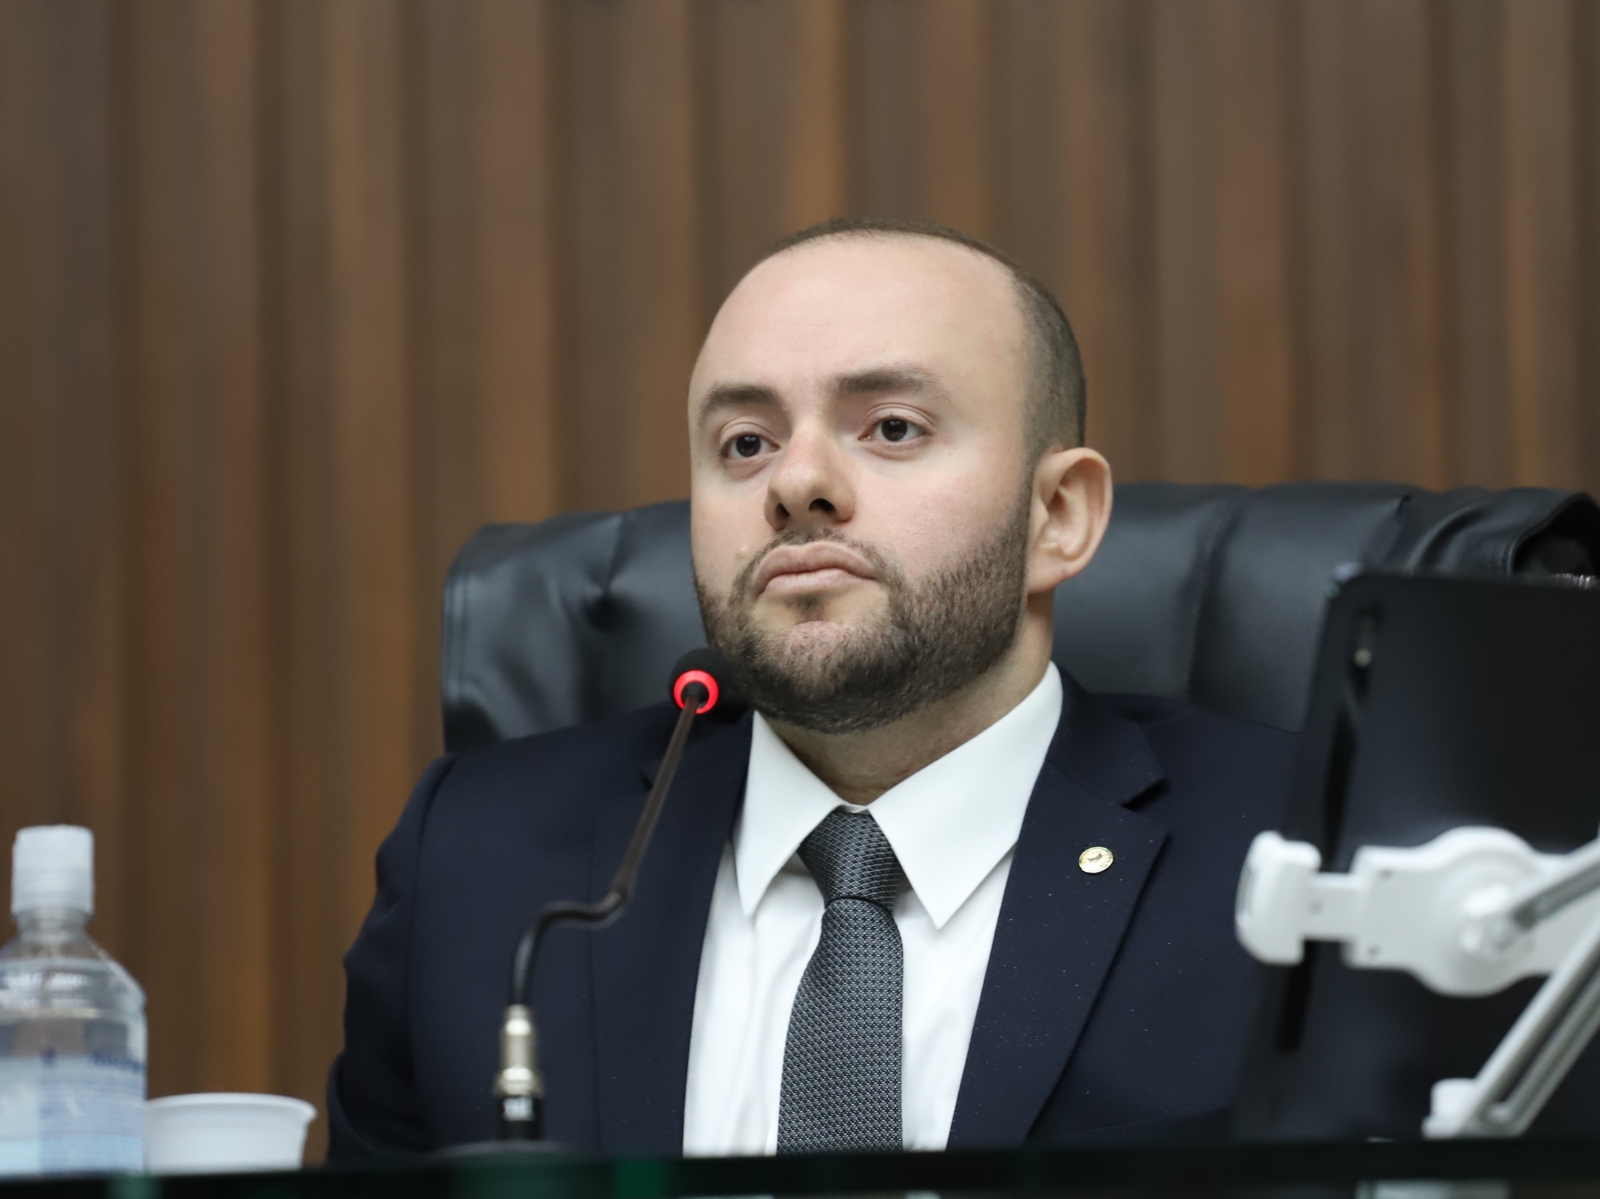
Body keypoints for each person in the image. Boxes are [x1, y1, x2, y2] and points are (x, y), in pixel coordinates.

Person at [327, 218, 1295, 1159]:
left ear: (1058, 515)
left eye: (892, 427)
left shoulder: (1300, 852)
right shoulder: (474, 866)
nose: (794, 484)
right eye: (745, 443)